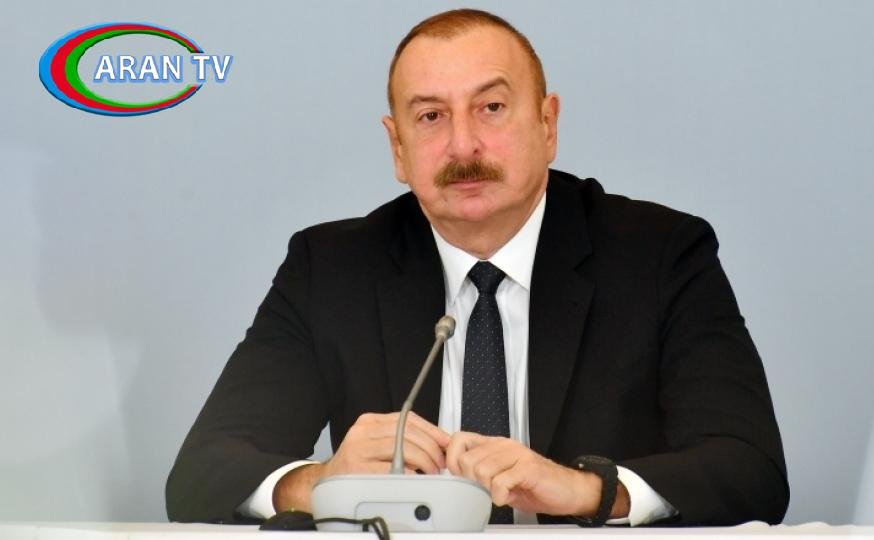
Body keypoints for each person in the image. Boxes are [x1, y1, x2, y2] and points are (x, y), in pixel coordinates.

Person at [166, 8, 788, 527]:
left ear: (547, 124)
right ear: (398, 148)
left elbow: (750, 469)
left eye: (490, 107)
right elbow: (199, 475)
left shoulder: (660, 254)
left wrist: (589, 490)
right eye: (431, 117)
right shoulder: (330, 269)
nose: (463, 146)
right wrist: (324, 482)